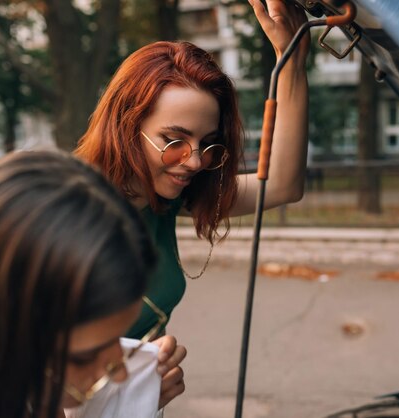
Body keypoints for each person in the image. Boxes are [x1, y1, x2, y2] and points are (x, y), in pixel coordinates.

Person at [0, 151, 185, 418]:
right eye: (85, 357)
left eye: (119, 342)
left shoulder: (14, 389)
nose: (119, 375)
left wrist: (128, 402)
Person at [74, 0, 310, 339]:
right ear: (126, 128)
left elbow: (283, 185)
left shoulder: (162, 198)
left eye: (208, 144)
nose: (196, 162)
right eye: (174, 141)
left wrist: (292, 63)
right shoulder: (68, 212)